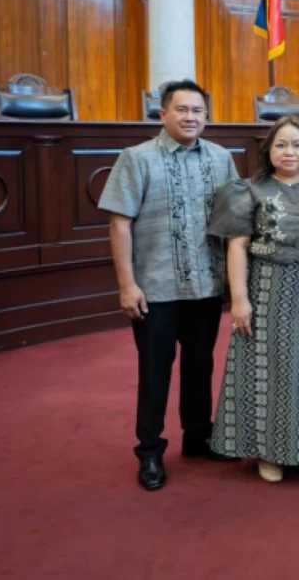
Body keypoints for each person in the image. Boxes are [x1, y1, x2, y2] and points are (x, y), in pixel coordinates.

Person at [97, 79, 240, 491]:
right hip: (155, 290)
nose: (190, 117)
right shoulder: (136, 159)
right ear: (162, 114)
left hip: (205, 287)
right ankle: (150, 452)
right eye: (182, 110)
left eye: (198, 111)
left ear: (206, 117)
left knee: (200, 366)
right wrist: (128, 285)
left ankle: (198, 437)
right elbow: (119, 223)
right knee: (155, 372)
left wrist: (233, 284)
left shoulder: (220, 158)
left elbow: (232, 224)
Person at [206, 116, 299, 482]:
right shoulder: (249, 189)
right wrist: (239, 299)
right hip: (264, 287)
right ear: (269, 150)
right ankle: (268, 452)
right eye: (281, 144)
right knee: (269, 371)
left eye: (297, 144)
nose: (289, 152)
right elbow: (236, 246)